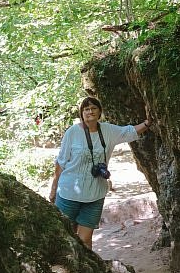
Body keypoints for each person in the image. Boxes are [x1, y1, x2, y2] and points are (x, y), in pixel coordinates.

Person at [49, 96, 152, 249]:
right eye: (86, 109)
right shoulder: (72, 132)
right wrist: (53, 190)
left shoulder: (108, 130)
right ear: (81, 113)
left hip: (95, 194)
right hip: (68, 194)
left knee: (85, 240)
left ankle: (86, 270)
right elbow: (61, 162)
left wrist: (148, 122)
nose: (90, 112)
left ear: (99, 112)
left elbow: (129, 132)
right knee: (63, 237)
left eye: (93, 108)